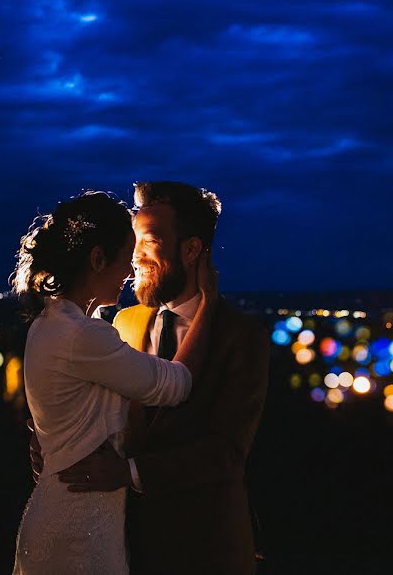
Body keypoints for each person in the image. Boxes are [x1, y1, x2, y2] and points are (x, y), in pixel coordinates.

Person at [36, 181, 270, 574]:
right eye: (132, 241)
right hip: (124, 545)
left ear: (191, 249)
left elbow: (227, 453)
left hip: (205, 548)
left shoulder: (242, 337)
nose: (135, 257)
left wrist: (128, 473)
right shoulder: (123, 322)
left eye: (150, 240)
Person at [9, 190, 218, 574]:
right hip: (77, 524)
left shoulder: (51, 324)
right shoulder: (82, 335)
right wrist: (208, 302)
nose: (131, 270)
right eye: (125, 258)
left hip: (73, 511)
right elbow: (176, 384)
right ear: (97, 259)